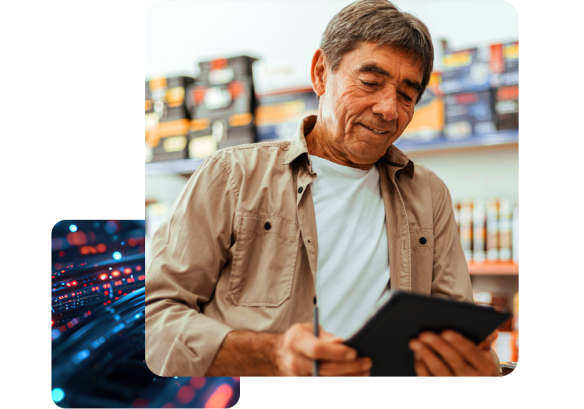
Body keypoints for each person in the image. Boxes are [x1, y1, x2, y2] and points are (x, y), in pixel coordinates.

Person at [145, 0, 500, 377]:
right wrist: (272, 354)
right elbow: (153, 318)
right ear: (320, 73)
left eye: (407, 95)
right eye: (370, 82)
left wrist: (475, 364)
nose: (389, 109)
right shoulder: (232, 174)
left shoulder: (429, 194)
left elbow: (459, 336)